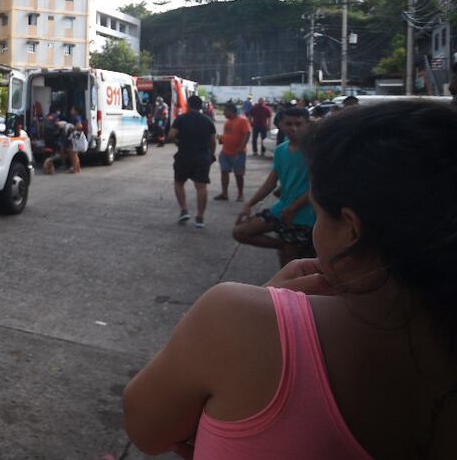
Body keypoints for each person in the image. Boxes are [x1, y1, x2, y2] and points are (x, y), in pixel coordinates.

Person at [123, 100, 457, 459]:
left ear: (350, 229)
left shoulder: (236, 319)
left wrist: (270, 306)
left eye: (319, 212)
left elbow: (146, 428)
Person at [232, 107, 314, 265]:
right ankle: (283, 245)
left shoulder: (314, 151)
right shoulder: (281, 150)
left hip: (305, 215)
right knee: (240, 232)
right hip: (282, 209)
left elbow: (317, 187)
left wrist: (293, 207)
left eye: (299, 124)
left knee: (289, 265)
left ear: (307, 124)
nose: (294, 128)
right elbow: (270, 183)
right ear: (281, 125)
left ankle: (290, 249)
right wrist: (249, 205)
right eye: (288, 124)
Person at [168, 95, 216, 228]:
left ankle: (184, 210)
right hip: (202, 156)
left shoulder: (181, 119)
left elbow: (171, 135)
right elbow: (213, 141)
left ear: (188, 105)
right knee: (201, 187)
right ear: (200, 106)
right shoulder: (208, 121)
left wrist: (178, 144)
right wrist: (211, 155)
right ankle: (200, 218)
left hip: (184, 155)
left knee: (179, 183)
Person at [213, 103, 249, 203]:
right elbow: (227, 135)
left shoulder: (242, 121)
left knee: (239, 175)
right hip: (225, 152)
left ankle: (240, 194)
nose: (224, 113)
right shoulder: (227, 122)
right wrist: (221, 138)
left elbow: (247, 133)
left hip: (238, 153)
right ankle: (224, 193)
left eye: (225, 111)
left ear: (231, 111)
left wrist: (241, 147)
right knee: (224, 172)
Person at [60, 106, 85, 174]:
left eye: (72, 109)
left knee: (73, 154)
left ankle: (75, 169)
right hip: (74, 138)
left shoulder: (77, 118)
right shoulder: (76, 117)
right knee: (74, 154)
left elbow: (79, 126)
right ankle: (77, 169)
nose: (71, 110)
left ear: (76, 111)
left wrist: (71, 127)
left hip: (73, 138)